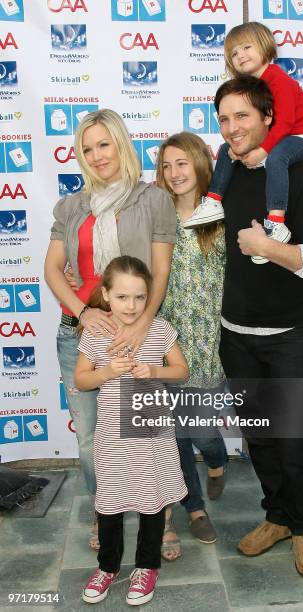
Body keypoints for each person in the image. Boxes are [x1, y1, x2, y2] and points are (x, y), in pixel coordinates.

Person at [215, 76, 303, 577]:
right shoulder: (222, 181)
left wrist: (271, 248)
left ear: (269, 117)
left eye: (242, 116)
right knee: (260, 438)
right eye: (224, 119)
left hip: (291, 337)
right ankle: (278, 517)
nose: (231, 128)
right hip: (235, 336)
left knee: (291, 441)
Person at [44, 109, 176, 550]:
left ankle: (160, 520)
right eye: (87, 148)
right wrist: (83, 312)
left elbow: (160, 271)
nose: (97, 155)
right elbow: (52, 269)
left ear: (121, 143)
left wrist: (141, 328)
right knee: (90, 440)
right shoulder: (70, 205)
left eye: (104, 144)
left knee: (146, 433)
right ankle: (107, 514)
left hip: (137, 332)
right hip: (78, 334)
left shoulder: (153, 199)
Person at [74, 255, 188, 605]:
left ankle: (146, 566)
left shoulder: (160, 329)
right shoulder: (95, 333)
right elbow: (81, 379)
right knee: (109, 504)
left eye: (140, 297)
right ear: (106, 295)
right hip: (112, 435)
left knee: (152, 502)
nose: (132, 305)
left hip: (152, 434)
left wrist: (154, 371)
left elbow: (181, 371)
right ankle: (107, 567)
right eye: (123, 297)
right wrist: (108, 372)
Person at [184, 22, 303, 266]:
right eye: (234, 54)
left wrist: (262, 150)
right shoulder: (253, 87)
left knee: (276, 158)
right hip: (281, 138)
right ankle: (214, 201)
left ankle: (276, 224)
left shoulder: (278, 79)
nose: (241, 56)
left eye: (246, 47)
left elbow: (284, 123)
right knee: (226, 150)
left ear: (265, 47)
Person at [156, 132, 228, 560]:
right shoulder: (156, 216)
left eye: (181, 163)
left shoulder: (220, 213)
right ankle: (195, 507)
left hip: (211, 341)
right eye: (166, 166)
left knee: (201, 429)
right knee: (175, 434)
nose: (173, 173)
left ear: (201, 164)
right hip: (167, 341)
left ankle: (218, 459)